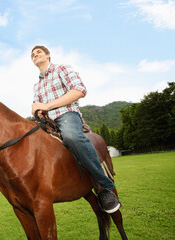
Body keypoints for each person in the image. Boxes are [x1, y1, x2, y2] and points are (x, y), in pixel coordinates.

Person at [30, 45, 121, 214]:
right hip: (47, 122)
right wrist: (37, 111)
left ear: (48, 55)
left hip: (67, 114)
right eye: (33, 55)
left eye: (39, 52)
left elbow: (80, 90)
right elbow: (37, 107)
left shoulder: (62, 69)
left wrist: (47, 105)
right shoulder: (37, 86)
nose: (35, 55)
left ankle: (105, 187)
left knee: (72, 137)